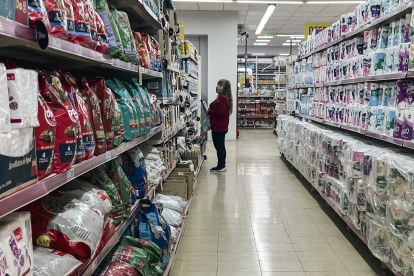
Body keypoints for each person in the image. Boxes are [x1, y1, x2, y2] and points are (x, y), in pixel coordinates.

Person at [208, 79, 232, 172]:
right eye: (218, 84)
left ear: (224, 89)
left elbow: (220, 112)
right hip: (220, 126)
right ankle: (221, 165)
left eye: (220, 85)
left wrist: (209, 112)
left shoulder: (222, 99)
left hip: (219, 127)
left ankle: (221, 166)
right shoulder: (222, 97)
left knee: (219, 147)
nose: (217, 86)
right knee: (220, 146)